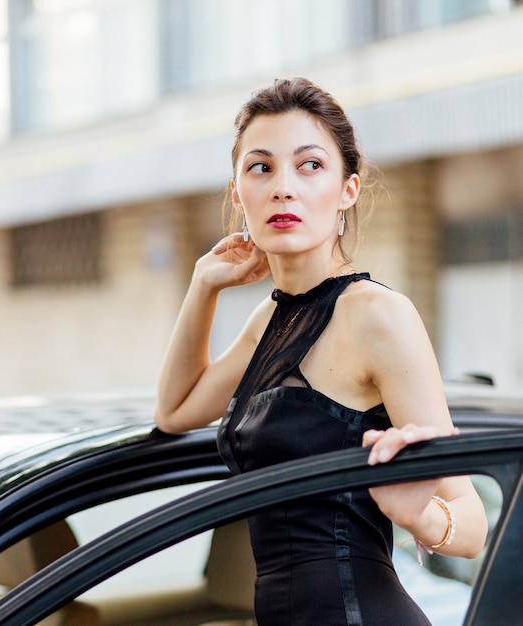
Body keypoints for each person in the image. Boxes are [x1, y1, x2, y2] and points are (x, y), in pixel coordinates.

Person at [154, 77, 487, 625]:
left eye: (310, 165)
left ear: (347, 190)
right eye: (260, 167)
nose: (283, 187)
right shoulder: (271, 320)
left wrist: (417, 515)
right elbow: (173, 411)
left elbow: (470, 527)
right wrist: (202, 285)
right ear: (239, 193)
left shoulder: (378, 316)